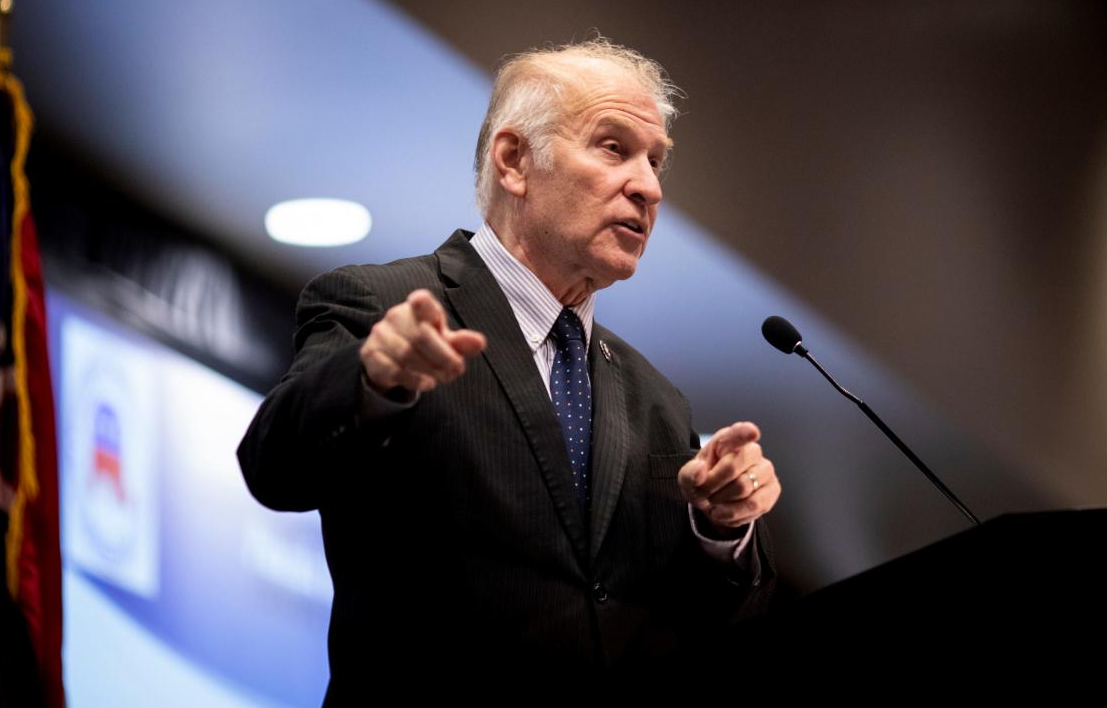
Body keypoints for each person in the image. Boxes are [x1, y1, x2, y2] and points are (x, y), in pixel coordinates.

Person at [237, 38, 781, 704]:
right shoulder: (381, 305)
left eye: (655, 160)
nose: (648, 185)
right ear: (514, 160)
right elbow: (274, 467)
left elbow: (701, 626)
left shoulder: (655, 399)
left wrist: (722, 530)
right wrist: (374, 379)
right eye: (613, 147)